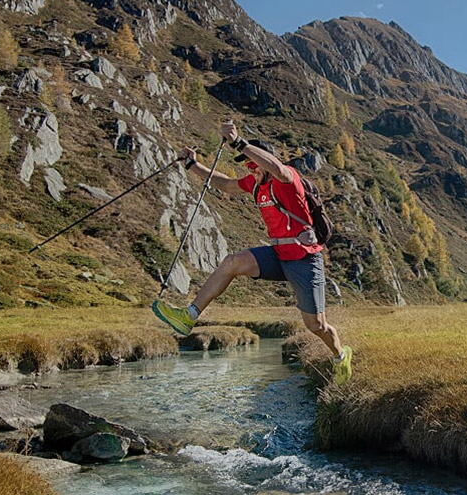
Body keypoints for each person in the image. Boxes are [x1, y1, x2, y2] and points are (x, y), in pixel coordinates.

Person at [151, 121, 352, 384]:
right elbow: (224, 184)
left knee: (316, 326)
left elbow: (277, 167)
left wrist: (239, 143)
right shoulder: (255, 184)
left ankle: (340, 356)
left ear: (264, 161)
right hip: (278, 256)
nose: (250, 169)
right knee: (232, 262)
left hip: (304, 259)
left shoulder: (287, 178)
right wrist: (192, 165)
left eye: (252, 163)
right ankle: (188, 316)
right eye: (247, 165)